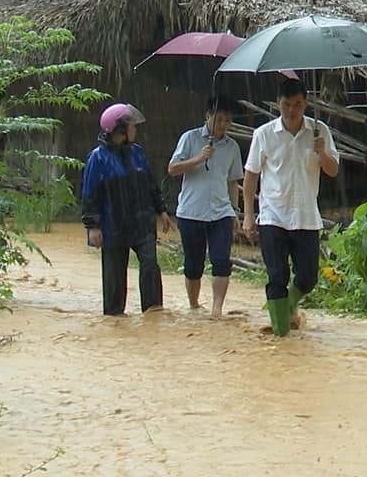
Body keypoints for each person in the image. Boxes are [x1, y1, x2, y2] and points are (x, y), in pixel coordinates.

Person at [241, 79, 339, 336]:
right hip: (273, 214)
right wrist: (249, 216)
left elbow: (332, 170)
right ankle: (280, 336)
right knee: (277, 276)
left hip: (305, 215)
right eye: (286, 105)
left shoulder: (320, 132)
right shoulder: (263, 134)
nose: (291, 111)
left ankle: (286, 308)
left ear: (305, 104)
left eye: (297, 105)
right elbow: (251, 175)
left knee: (308, 278)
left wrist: (322, 153)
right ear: (278, 104)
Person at [81, 103, 173, 316]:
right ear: (120, 129)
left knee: (150, 266)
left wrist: (162, 210)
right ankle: (114, 319)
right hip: (114, 226)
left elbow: (150, 184)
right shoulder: (98, 158)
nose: (136, 129)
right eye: (132, 126)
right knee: (114, 277)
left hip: (142, 224)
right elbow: (90, 194)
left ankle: (153, 314)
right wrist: (92, 226)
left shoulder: (137, 152)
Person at [167, 95, 244, 318]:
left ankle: (216, 309)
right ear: (207, 116)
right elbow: (172, 169)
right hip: (191, 212)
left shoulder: (232, 147)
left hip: (221, 213)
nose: (222, 125)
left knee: (221, 260)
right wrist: (198, 159)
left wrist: (235, 212)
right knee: (193, 264)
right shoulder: (189, 139)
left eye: (227, 121)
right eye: (218, 119)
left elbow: (233, 182)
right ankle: (193, 305)